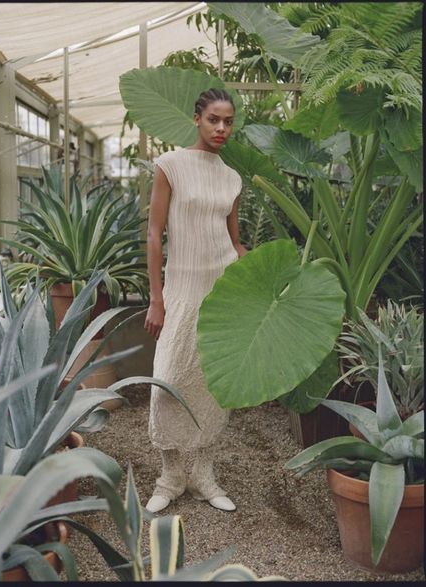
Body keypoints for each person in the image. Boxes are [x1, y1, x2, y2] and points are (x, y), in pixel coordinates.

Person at [144, 88, 247, 514]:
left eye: (228, 121)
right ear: (197, 119)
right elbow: (154, 234)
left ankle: (203, 473)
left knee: (211, 386)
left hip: (222, 293)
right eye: (213, 120)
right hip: (181, 290)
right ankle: (170, 476)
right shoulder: (171, 165)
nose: (221, 128)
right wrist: (155, 298)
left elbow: (236, 243)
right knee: (167, 381)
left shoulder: (232, 178)